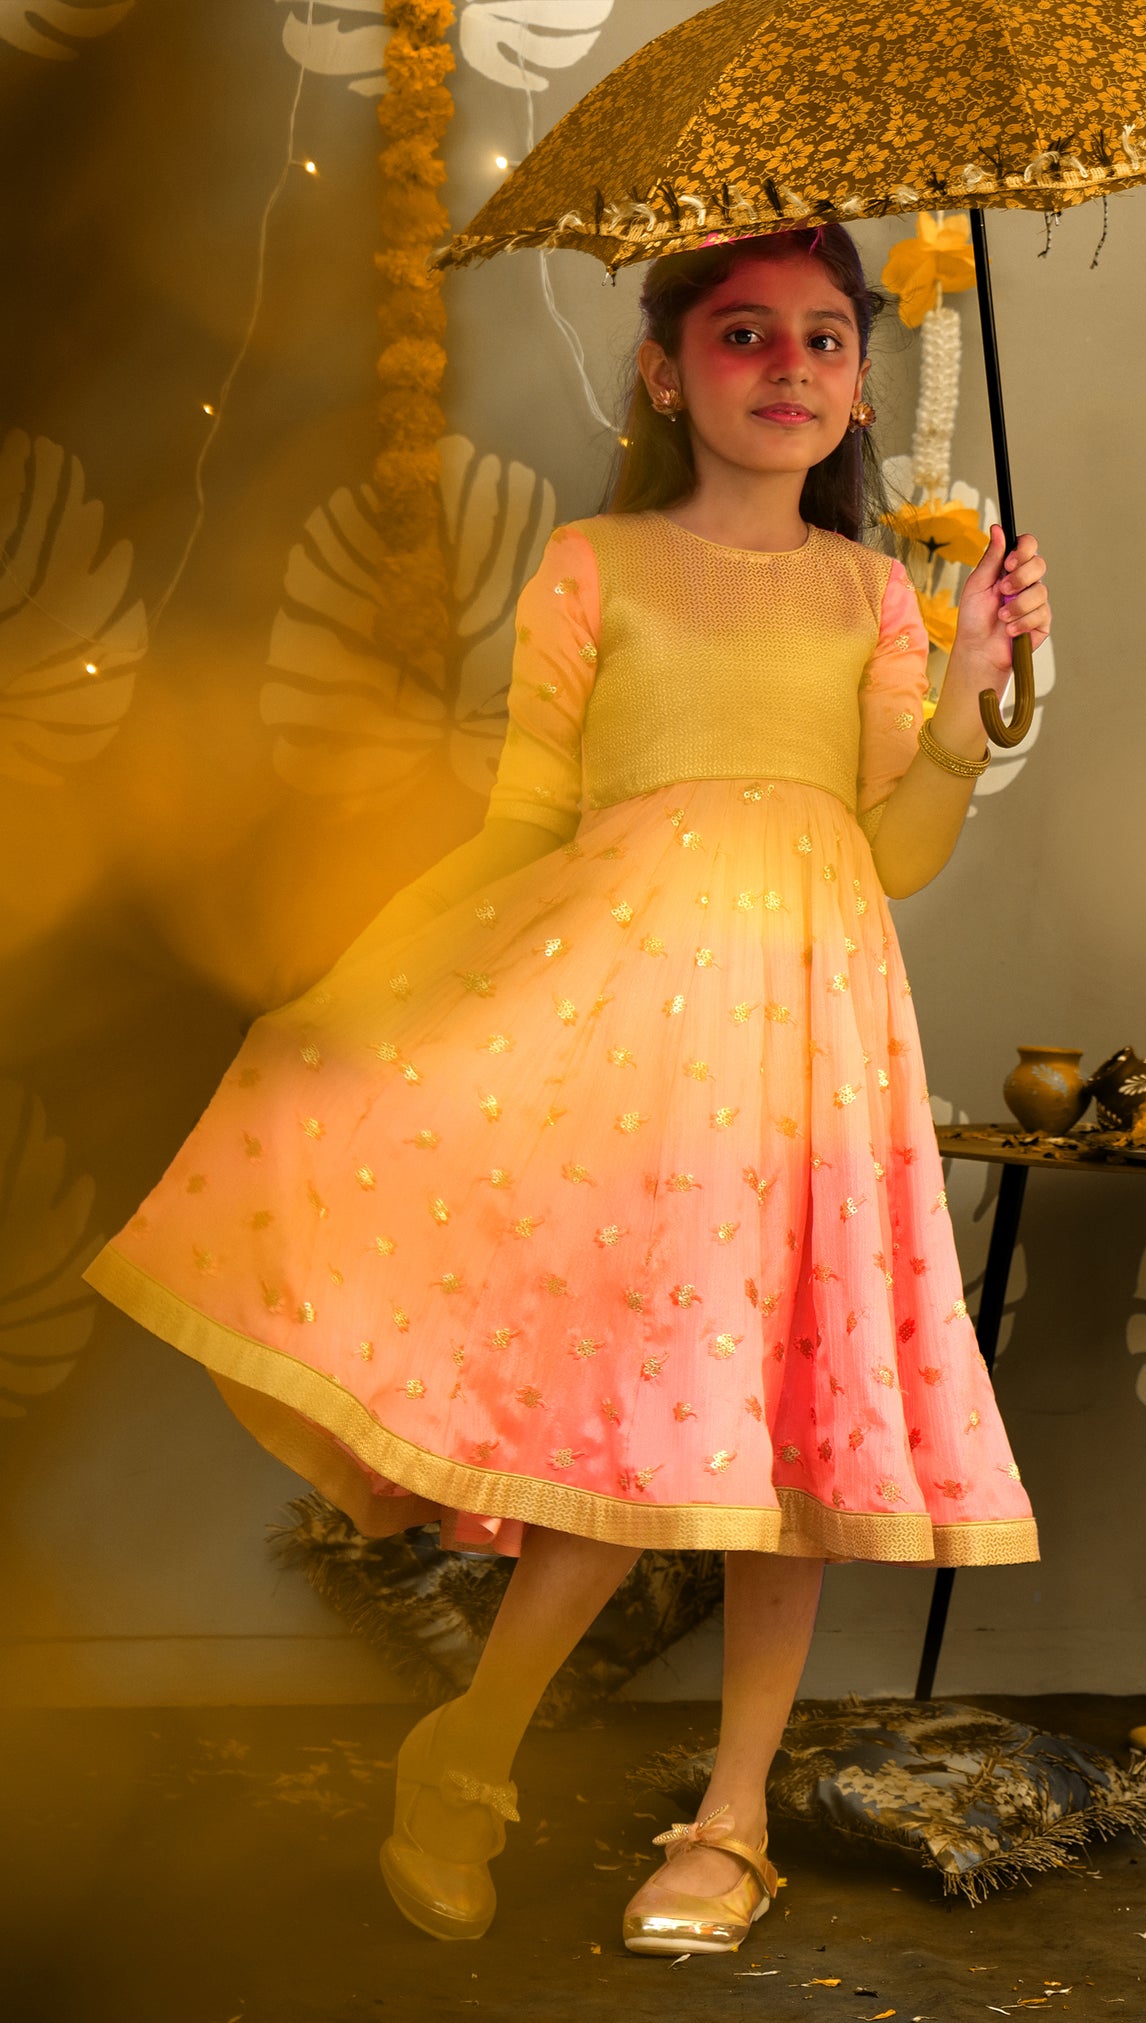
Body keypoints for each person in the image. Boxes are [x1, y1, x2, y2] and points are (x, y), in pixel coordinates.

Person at [82, 220, 1052, 1955]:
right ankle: (468, 1754)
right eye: (743, 336)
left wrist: (973, 696)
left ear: (854, 389)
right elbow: (531, 818)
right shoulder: (593, 566)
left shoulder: (871, 597)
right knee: (637, 1415)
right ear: (666, 374)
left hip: (820, 1042)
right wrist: (364, 987)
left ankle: (732, 1817)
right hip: (633, 1048)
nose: (789, 369)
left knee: (793, 1427)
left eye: (826, 340)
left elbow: (896, 847)